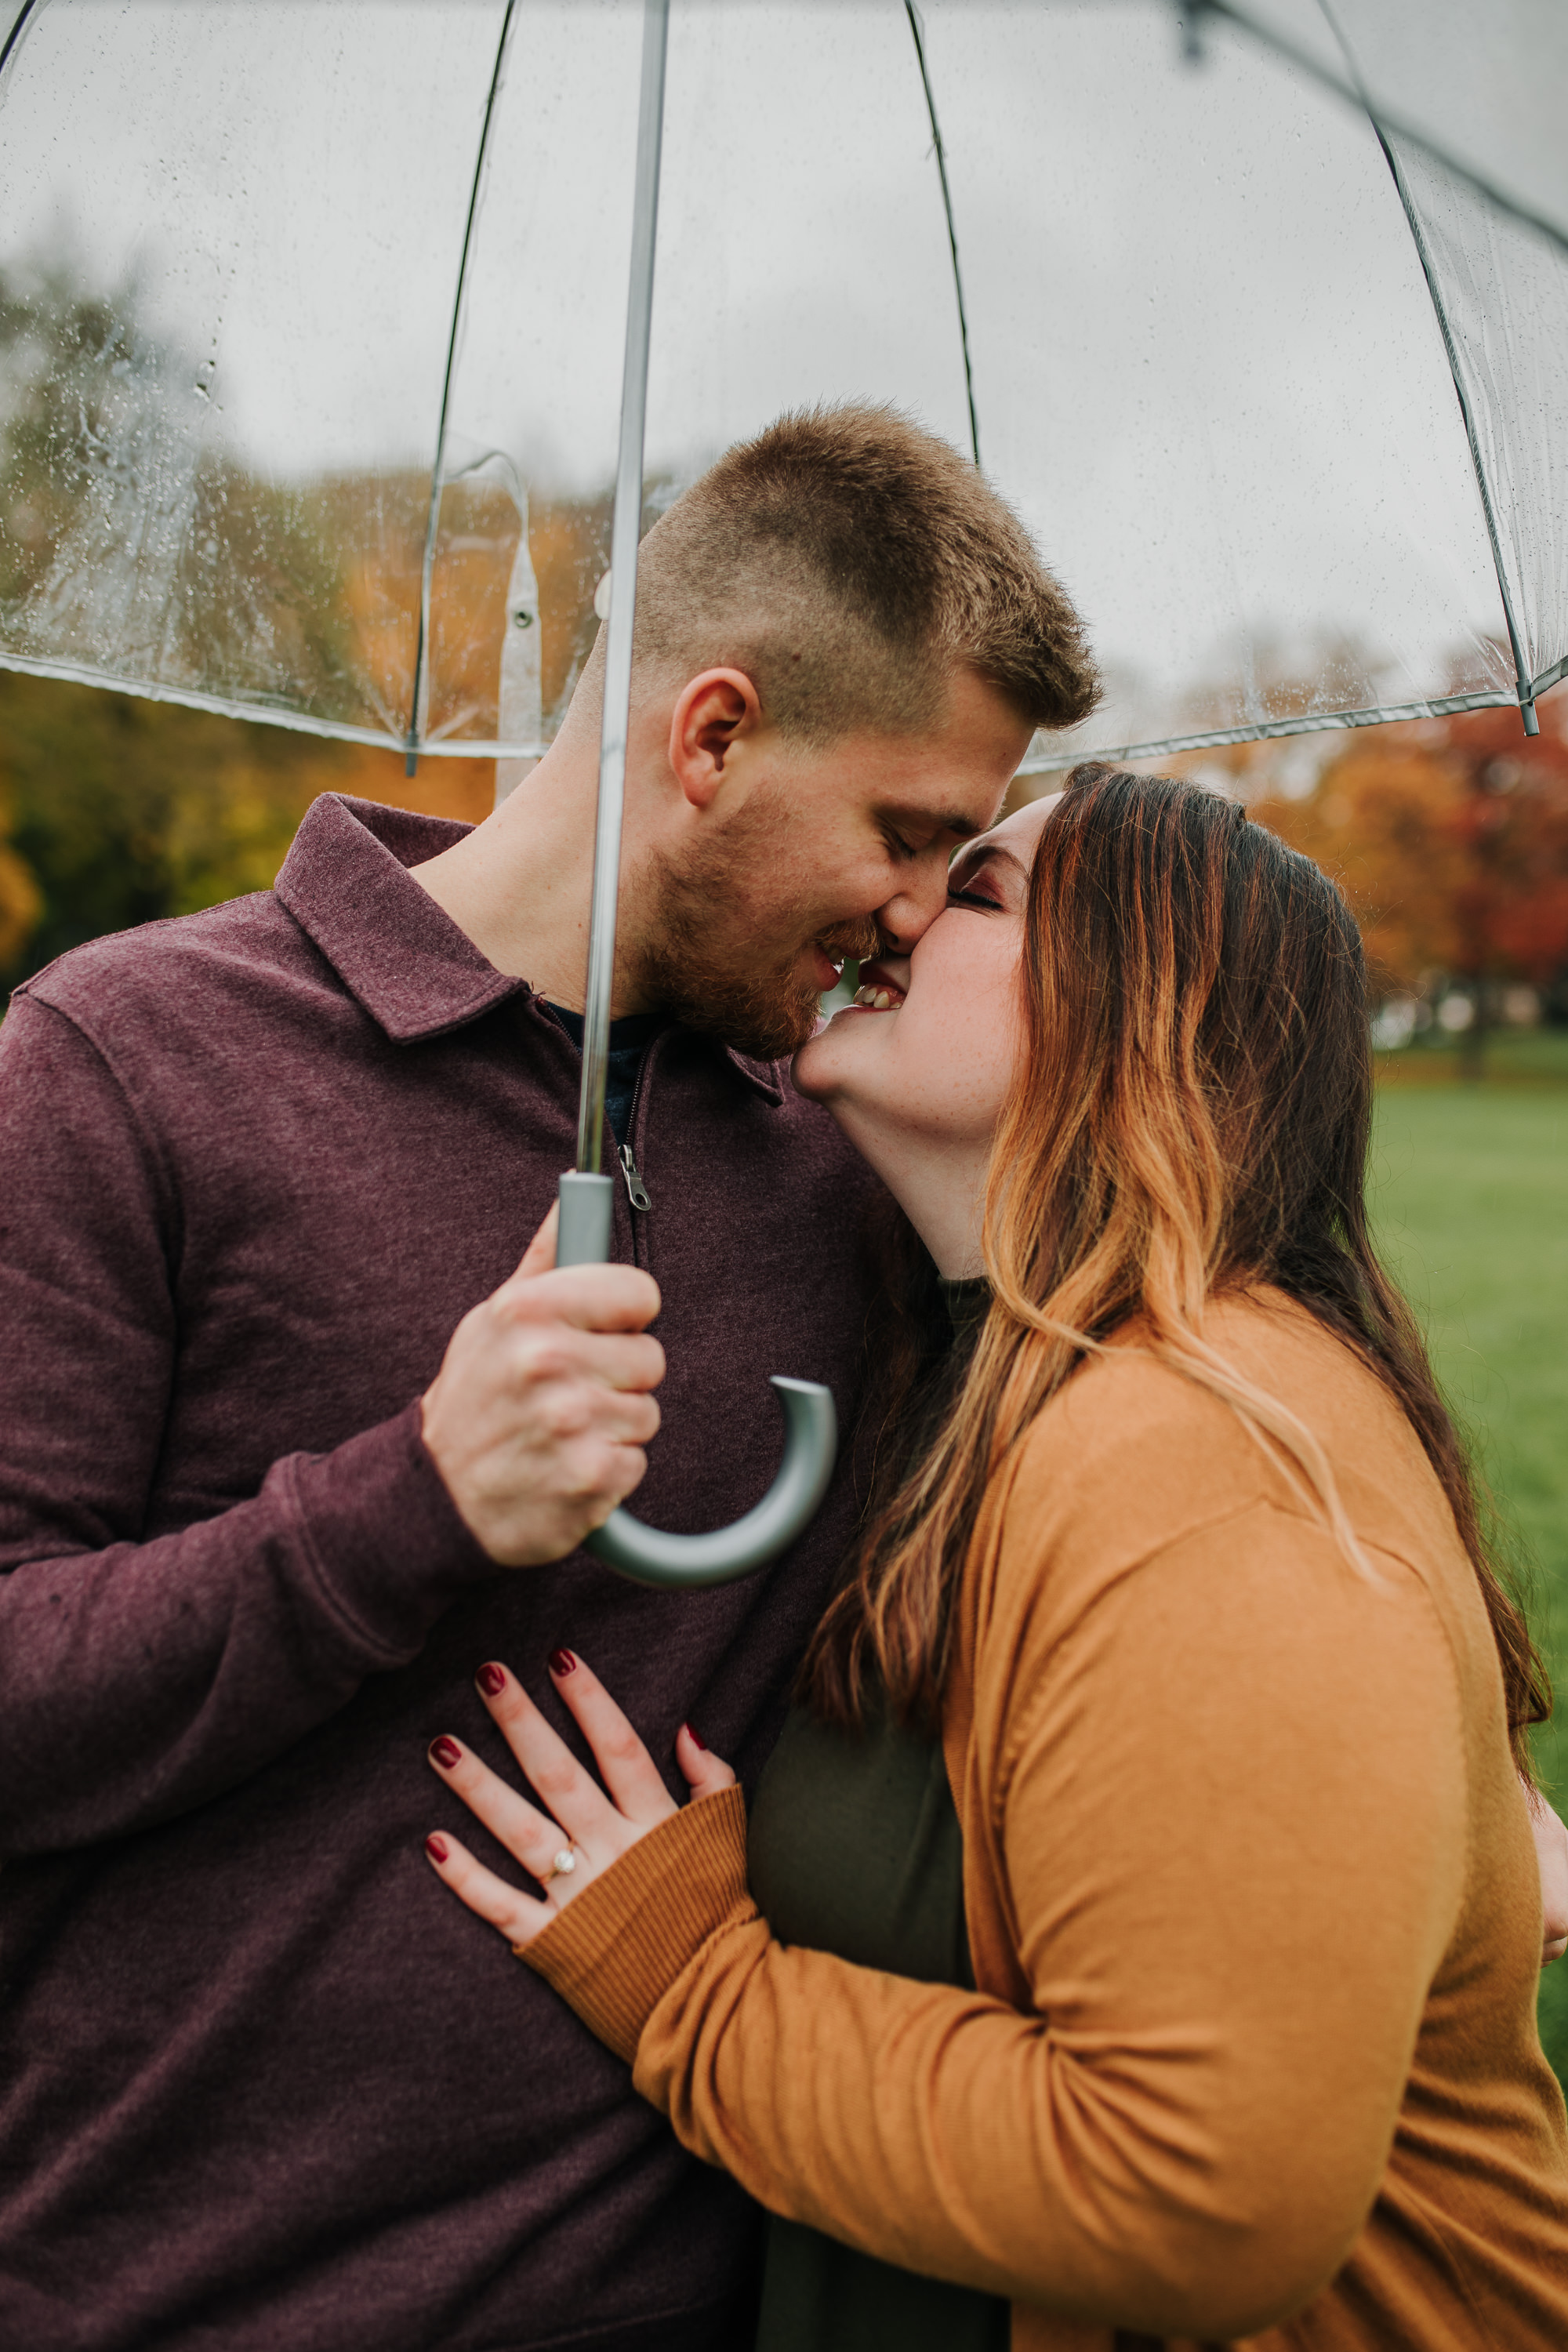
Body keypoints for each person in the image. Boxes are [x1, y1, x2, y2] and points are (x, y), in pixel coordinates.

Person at [0, 408, 1099, 2351]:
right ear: (713, 736)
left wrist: (1406, 1779)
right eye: (910, 832)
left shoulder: (851, 1156)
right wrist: (409, 1504)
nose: (923, 913)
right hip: (162, 2292)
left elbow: (1139, 1468)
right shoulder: (124, 1057)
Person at [423, 767, 1568, 2350]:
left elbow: (1196, 2197)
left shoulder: (1202, 1456)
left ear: (1140, 1017)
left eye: (973, 892)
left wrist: (688, 1980)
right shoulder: (1000, 1372)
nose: (892, 911)